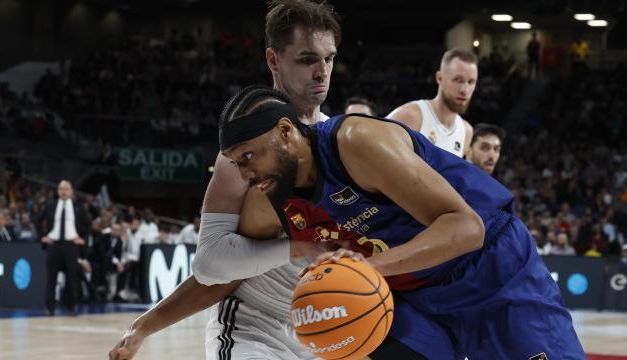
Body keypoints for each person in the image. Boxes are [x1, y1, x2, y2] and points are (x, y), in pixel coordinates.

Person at [218, 86, 585, 359]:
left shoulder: (356, 142)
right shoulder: (269, 201)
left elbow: (467, 228)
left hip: (488, 267)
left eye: (249, 155)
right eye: (236, 162)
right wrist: (157, 321)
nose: (245, 172)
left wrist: (368, 267)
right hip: (409, 298)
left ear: (285, 131)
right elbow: (215, 271)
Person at [110, 1, 341, 359]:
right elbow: (212, 265)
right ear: (274, 60)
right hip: (252, 327)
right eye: (308, 59)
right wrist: (145, 324)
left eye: (329, 59)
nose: (322, 71)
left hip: (322, 328)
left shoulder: (338, 141)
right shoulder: (245, 152)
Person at [387, 48, 475, 158]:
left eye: (471, 82)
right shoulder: (411, 115)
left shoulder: (466, 132)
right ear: (439, 78)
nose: (464, 90)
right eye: (458, 80)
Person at [36, 180, 91, 315]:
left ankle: (72, 306)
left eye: (66, 189)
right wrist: (43, 236)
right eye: (61, 189)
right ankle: (50, 308)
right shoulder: (51, 205)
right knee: (51, 278)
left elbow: (88, 224)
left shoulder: (78, 207)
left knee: (72, 277)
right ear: (58, 191)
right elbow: (37, 220)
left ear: (71, 191)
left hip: (70, 245)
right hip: (53, 244)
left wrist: (82, 239)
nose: (64, 191)